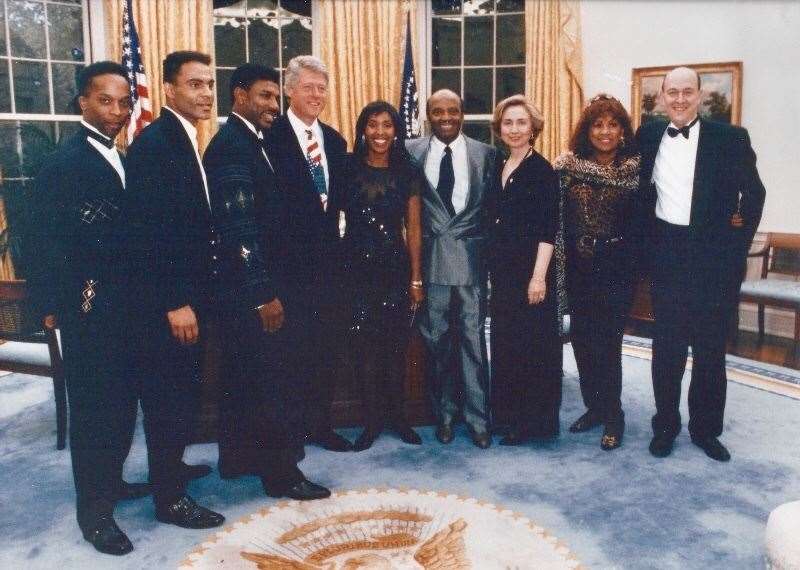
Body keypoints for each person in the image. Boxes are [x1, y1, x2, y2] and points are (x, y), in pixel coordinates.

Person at [26, 61, 150, 555]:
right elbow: (40, 239)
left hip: (126, 305)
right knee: (95, 411)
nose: (117, 111)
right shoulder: (64, 162)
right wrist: (52, 306)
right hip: (89, 306)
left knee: (121, 405)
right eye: (106, 101)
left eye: (124, 102)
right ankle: (94, 514)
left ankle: (113, 484)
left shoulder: (120, 153)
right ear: (83, 102)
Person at [202, 63, 330, 500]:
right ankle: (283, 476)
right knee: (273, 382)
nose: (273, 106)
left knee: (245, 377)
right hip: (255, 290)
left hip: (249, 287)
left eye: (276, 97)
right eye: (264, 96)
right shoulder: (232, 147)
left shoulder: (250, 142)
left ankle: (238, 459)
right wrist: (264, 294)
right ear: (239, 96)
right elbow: (239, 229)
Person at [637, 66, 765, 461]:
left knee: (710, 349)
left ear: (699, 95)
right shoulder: (648, 134)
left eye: (686, 92)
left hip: (714, 260)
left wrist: (735, 245)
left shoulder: (731, 138)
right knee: (667, 348)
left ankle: (706, 430)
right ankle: (665, 425)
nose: (679, 99)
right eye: (671, 92)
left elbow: (754, 194)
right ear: (662, 95)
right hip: (667, 253)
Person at [125, 51, 225, 528]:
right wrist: (176, 302)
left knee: (183, 394)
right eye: (195, 85)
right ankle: (169, 499)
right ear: (168, 90)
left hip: (192, 294)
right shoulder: (156, 145)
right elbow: (149, 234)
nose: (206, 93)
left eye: (209, 84)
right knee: (169, 398)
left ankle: (173, 469)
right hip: (173, 303)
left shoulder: (184, 139)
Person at [264, 55, 352, 452]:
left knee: (324, 350)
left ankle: (320, 425)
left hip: (328, 269)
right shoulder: (269, 137)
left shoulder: (334, 141)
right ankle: (291, 433)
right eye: (308, 87)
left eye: (321, 88)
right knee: (288, 354)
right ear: (289, 90)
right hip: (285, 269)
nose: (316, 95)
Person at [406, 89, 496, 449]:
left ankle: (478, 419)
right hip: (431, 263)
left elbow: (492, 210)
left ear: (462, 113)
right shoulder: (411, 151)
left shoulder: (486, 154)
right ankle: (444, 414)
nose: (446, 117)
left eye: (453, 111)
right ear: (428, 115)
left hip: (471, 262)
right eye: (438, 111)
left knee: (474, 342)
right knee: (437, 341)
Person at [554, 94, 641, 450]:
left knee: (609, 343)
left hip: (616, 266)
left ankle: (614, 415)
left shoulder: (635, 170)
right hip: (578, 265)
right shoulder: (567, 167)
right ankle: (593, 407)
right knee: (583, 341)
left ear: (623, 130)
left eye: (612, 124)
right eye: (598, 124)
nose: (605, 132)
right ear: (587, 130)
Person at [343, 101, 425, 451]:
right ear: (363, 128)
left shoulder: (407, 169)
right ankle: (371, 420)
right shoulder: (348, 167)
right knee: (364, 347)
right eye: (373, 125)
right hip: (356, 268)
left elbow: (415, 227)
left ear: (396, 130)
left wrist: (416, 278)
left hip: (394, 266)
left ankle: (399, 417)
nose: (380, 132)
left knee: (395, 346)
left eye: (387, 125)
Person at [486, 95, 562, 446]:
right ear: (499, 128)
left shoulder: (541, 171)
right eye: (508, 123)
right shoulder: (501, 164)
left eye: (521, 123)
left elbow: (548, 230)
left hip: (531, 274)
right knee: (506, 344)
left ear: (533, 128)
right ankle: (507, 415)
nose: (514, 129)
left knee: (533, 348)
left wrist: (538, 277)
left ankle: (533, 422)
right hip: (503, 273)